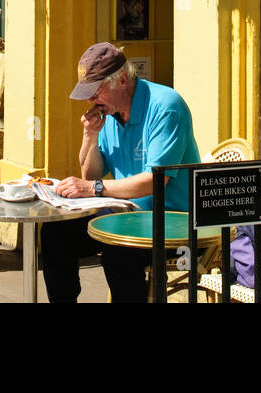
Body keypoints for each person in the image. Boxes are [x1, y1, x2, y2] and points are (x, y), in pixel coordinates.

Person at [40, 42, 201, 302]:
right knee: (55, 233)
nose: (90, 100)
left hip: (173, 224)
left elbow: (155, 181)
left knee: (118, 245)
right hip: (127, 214)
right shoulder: (110, 113)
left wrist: (93, 189)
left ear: (123, 80)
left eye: (95, 91)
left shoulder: (166, 106)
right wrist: (89, 137)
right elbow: (92, 174)